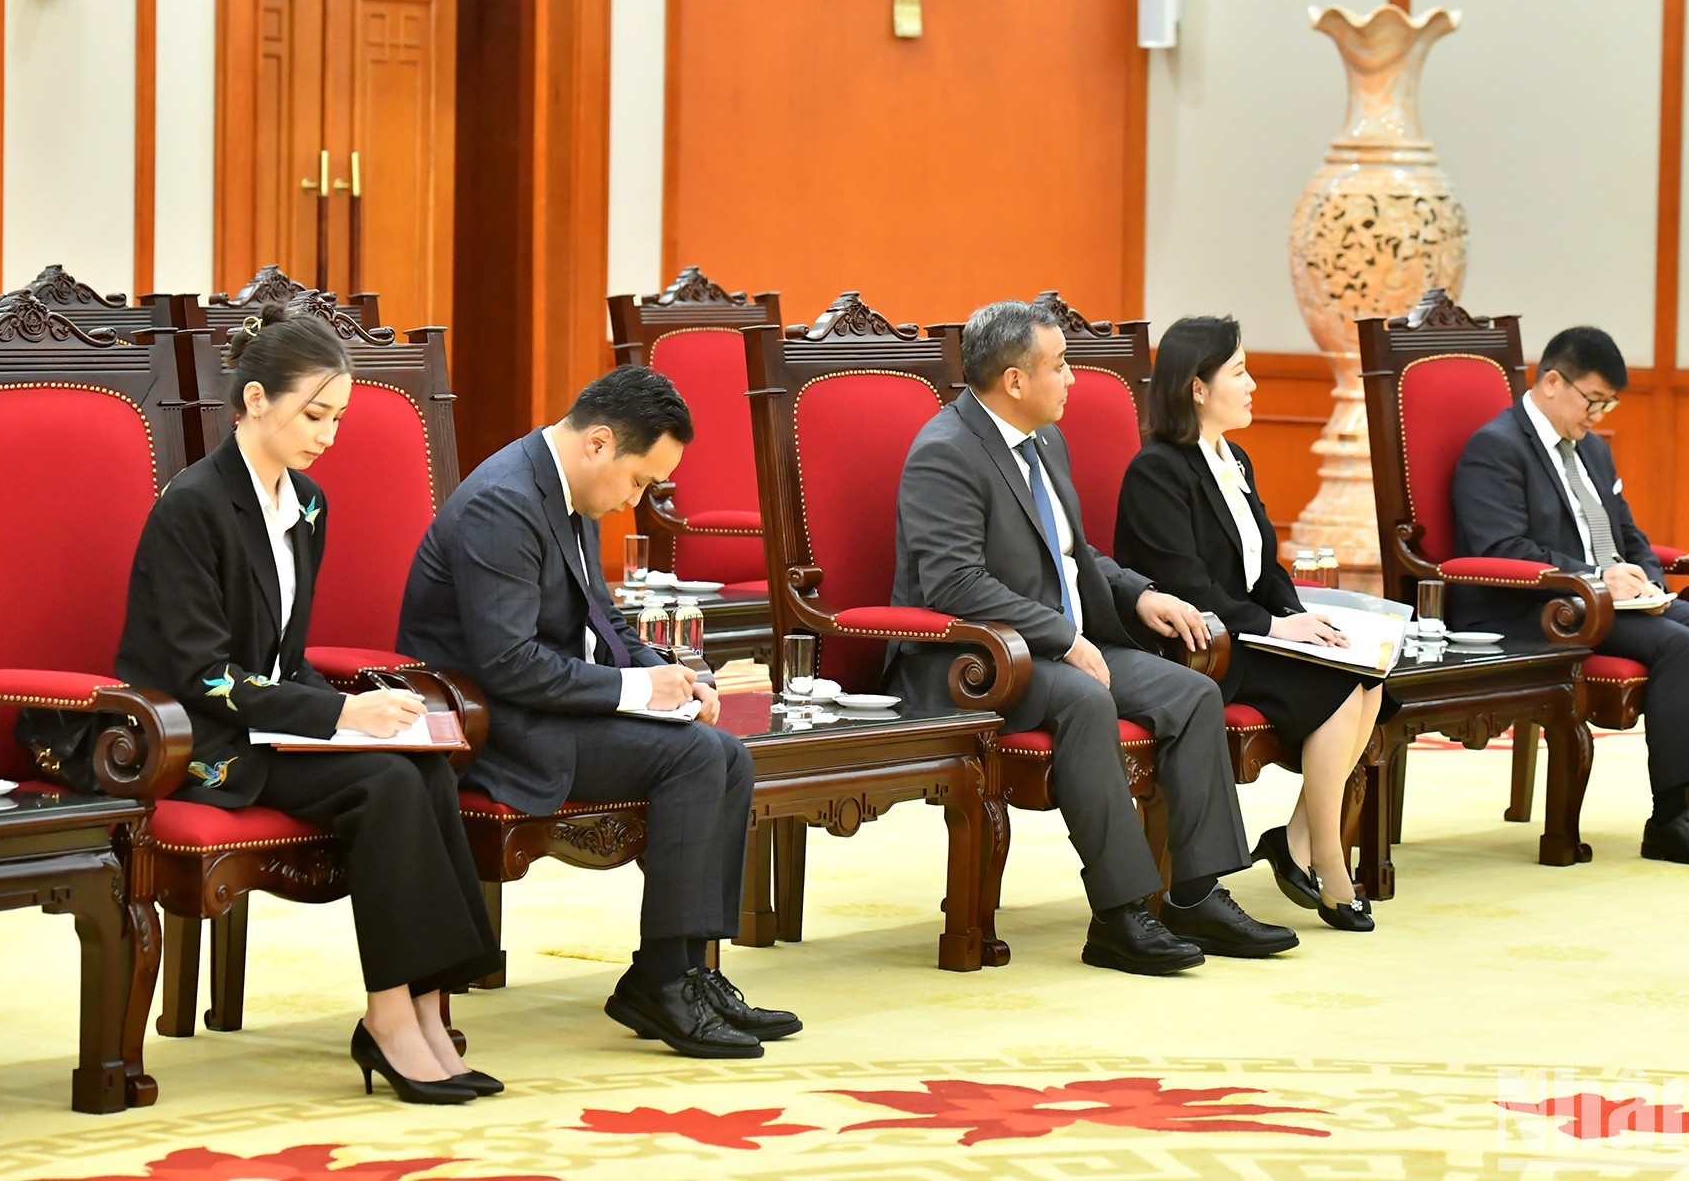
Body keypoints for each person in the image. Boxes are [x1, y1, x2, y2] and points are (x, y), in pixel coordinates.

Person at [115, 307, 503, 1105]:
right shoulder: (192, 506)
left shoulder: (309, 504)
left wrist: (363, 712)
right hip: (198, 743)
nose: (327, 435)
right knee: (387, 782)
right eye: (314, 414)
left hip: (270, 726)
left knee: (425, 769)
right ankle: (389, 1015)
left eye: (338, 419)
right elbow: (202, 675)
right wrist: (337, 717)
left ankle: (429, 1010)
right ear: (256, 399)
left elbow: (286, 656)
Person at [885, 299, 1296, 976]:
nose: (1073, 378)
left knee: (1193, 693)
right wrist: (1063, 637)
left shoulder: (1045, 440)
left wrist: (1142, 593)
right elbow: (954, 584)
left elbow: (1075, 554)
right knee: (1085, 698)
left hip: (1058, 646)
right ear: (1015, 380)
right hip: (974, 659)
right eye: (1059, 365)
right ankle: (1120, 915)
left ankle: (1196, 895)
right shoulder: (946, 452)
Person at [397, 365, 797, 1059]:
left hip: (547, 707)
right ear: (599, 443)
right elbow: (507, 664)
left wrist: (669, 676)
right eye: (639, 481)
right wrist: (638, 693)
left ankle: (690, 971)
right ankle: (662, 983)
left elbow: (602, 621)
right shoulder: (504, 503)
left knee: (728, 752)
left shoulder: (567, 488)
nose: (636, 500)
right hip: (490, 725)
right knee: (694, 757)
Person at [1450, 325, 1689, 865]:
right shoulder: (1496, 448)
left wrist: (1647, 581)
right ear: (1553, 382)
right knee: (1680, 645)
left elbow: (1627, 534)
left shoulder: (1591, 449)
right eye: (1593, 400)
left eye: (1608, 404)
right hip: (1538, 607)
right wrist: (1597, 576)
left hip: (1608, 600)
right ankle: (1671, 820)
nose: (1598, 416)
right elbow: (1500, 547)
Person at [1114, 316, 1396, 931]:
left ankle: (1297, 842)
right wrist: (1273, 626)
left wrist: (1298, 615)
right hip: (1196, 646)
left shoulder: (1233, 458)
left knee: (1368, 674)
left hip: (1247, 632)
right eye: (1239, 372)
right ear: (1197, 387)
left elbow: (1263, 565)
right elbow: (1187, 588)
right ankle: (1328, 860)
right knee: (1338, 685)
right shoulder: (1156, 470)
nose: (1252, 385)